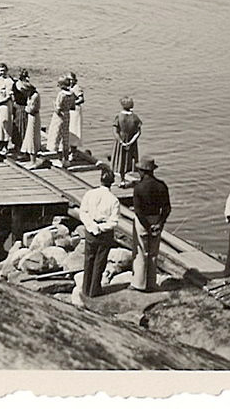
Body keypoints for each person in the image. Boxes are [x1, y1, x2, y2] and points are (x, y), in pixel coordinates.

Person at [131, 156, 171, 292]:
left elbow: (138, 211)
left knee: (141, 252)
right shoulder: (162, 186)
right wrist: (159, 223)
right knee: (153, 253)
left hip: (143, 221)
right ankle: (151, 283)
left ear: (142, 171)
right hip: (156, 219)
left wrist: (147, 226)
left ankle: (139, 284)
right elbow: (167, 208)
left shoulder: (139, 188)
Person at [79, 168, 120, 298]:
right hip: (104, 233)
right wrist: (101, 228)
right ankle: (95, 289)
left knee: (89, 260)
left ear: (100, 180)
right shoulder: (114, 200)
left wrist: (91, 226)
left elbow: (83, 212)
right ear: (112, 183)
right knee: (100, 262)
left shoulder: (90, 194)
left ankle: (86, 289)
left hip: (91, 230)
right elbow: (114, 222)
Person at [111, 97, 142, 180]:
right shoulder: (135, 117)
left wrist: (121, 142)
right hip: (132, 141)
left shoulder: (118, 116)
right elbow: (138, 132)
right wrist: (131, 142)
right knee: (131, 159)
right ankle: (137, 177)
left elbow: (115, 131)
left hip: (121, 140)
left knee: (121, 159)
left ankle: (122, 179)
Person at [48, 76, 74, 166]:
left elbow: (58, 109)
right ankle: (66, 159)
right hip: (67, 115)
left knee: (56, 136)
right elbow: (73, 107)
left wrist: (54, 105)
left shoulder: (61, 94)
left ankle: (58, 158)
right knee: (65, 138)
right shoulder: (71, 94)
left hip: (59, 117)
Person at [0, 63, 15, 156]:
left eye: (4, 70)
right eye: (1, 70)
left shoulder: (10, 81)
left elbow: (8, 96)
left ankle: (6, 144)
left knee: (5, 123)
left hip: (5, 105)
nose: (2, 72)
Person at [19, 72, 42, 163]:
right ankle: (32, 158)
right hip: (31, 117)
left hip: (33, 117)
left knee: (32, 137)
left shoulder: (34, 96)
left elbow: (30, 109)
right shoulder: (31, 96)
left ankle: (33, 160)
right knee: (30, 136)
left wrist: (25, 108)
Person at [66, 71, 85, 157]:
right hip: (70, 110)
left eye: (71, 79)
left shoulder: (76, 88)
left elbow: (81, 99)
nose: (70, 81)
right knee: (70, 128)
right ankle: (71, 149)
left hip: (75, 110)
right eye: (68, 79)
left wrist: (72, 103)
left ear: (75, 80)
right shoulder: (69, 87)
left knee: (74, 128)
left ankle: (74, 151)